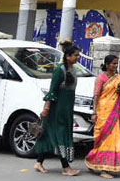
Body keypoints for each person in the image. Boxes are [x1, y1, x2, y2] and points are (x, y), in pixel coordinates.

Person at [34, 41, 81, 176]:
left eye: (78, 55)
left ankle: (39, 162)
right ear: (67, 56)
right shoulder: (59, 70)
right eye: (75, 55)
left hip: (67, 109)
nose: (77, 58)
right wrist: (47, 108)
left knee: (50, 135)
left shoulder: (73, 70)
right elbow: (52, 91)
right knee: (60, 135)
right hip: (57, 109)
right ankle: (65, 167)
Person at [85, 54, 120, 178]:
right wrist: (94, 113)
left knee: (113, 140)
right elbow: (96, 96)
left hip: (115, 114)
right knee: (102, 141)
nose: (116, 66)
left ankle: (94, 162)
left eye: (117, 63)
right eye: (113, 63)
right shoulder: (101, 78)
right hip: (104, 113)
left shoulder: (118, 78)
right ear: (106, 64)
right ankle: (104, 169)